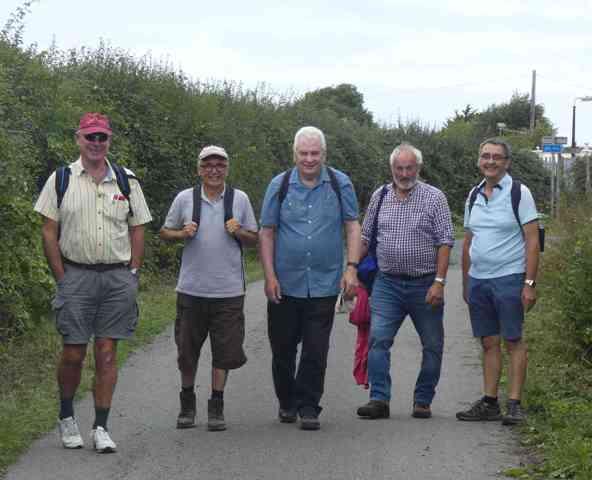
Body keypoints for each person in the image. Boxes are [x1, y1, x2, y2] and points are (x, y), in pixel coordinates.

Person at [34, 112, 152, 453]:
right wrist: (61, 277)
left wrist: (133, 271)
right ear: (78, 139)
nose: (96, 143)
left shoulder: (126, 181)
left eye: (102, 137)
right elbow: (47, 229)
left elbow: (139, 226)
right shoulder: (62, 179)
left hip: (117, 278)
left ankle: (101, 426)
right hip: (76, 276)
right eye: (90, 137)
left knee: (107, 353)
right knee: (73, 352)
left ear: (109, 140)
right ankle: (67, 415)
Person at [259, 126, 361, 430]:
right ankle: (287, 402)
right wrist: (269, 275)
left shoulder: (341, 184)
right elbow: (267, 232)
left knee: (316, 349)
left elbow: (353, 225)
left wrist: (351, 267)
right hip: (285, 282)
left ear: (324, 154)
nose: (309, 159)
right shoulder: (279, 185)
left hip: (325, 281)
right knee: (283, 349)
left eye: (315, 153)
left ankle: (308, 406)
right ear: (295, 154)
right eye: (303, 153)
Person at [160, 145, 258, 432]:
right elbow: (165, 231)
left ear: (227, 168)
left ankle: (216, 406)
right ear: (199, 169)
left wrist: (238, 230)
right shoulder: (185, 198)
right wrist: (181, 233)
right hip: (191, 289)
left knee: (224, 352)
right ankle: (187, 403)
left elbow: (254, 237)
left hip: (229, 291)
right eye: (208, 165)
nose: (214, 170)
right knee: (186, 351)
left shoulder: (239, 199)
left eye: (219, 165)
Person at [356, 144, 454, 420]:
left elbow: (445, 241)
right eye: (399, 168)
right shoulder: (380, 195)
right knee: (378, 340)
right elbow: (365, 237)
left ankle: (423, 400)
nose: (404, 173)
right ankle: (379, 399)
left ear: (418, 169)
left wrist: (439, 282)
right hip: (387, 283)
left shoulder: (435, 198)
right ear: (392, 169)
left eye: (409, 167)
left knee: (432, 344)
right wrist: (350, 268)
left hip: (425, 283)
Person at [456, 138, 539, 425]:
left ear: (507, 162)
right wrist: (466, 282)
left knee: (513, 340)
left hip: (509, 278)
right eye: (485, 156)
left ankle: (514, 404)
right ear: (479, 160)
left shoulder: (520, 192)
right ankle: (490, 402)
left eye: (497, 157)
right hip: (479, 280)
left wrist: (529, 283)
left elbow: (532, 240)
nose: (490, 161)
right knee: (489, 342)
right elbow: (468, 241)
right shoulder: (474, 194)